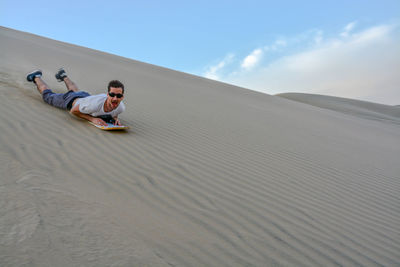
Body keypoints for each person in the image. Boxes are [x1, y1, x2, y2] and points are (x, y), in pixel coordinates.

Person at [26, 68, 125, 126]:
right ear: (108, 94)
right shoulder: (94, 105)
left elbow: (114, 111)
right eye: (112, 95)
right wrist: (92, 119)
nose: (115, 98)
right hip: (71, 101)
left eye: (118, 96)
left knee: (76, 91)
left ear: (122, 97)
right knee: (48, 96)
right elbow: (73, 111)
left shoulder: (120, 108)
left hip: (85, 97)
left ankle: (63, 75)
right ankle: (36, 76)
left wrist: (115, 118)